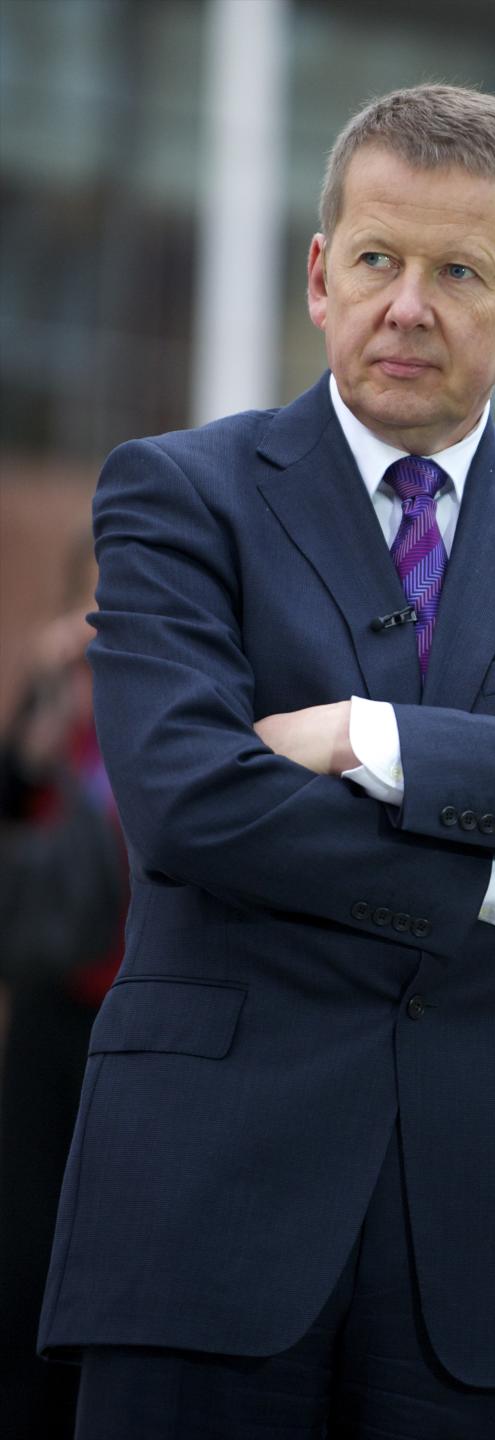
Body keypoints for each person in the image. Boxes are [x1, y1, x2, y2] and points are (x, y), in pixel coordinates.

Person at [39, 85, 495, 1438]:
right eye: (377, 260)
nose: (406, 305)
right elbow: (189, 806)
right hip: (203, 1215)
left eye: (458, 272)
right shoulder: (179, 497)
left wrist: (374, 738)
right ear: (319, 274)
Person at [0, 536, 127, 1440]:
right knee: (24, 1250)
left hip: (141, 1016)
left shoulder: (168, 710)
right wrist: (43, 698)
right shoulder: (62, 709)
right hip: (55, 1005)